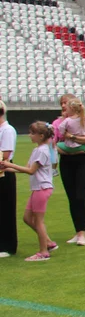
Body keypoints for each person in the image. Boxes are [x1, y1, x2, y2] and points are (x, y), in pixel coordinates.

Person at [0, 122, 58, 261]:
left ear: (41, 136)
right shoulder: (37, 150)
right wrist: (6, 168)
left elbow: (31, 171)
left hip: (42, 188)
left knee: (39, 221)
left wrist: (9, 164)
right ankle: (48, 242)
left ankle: (43, 252)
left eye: (32, 133)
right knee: (27, 218)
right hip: (37, 188)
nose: (29, 135)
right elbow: (25, 168)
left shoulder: (42, 151)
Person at [53, 96, 85, 245]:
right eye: (62, 104)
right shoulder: (58, 123)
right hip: (66, 161)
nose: (64, 106)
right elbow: (55, 143)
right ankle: (77, 231)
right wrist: (76, 141)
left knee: (80, 196)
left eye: (66, 103)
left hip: (84, 160)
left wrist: (71, 137)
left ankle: (82, 233)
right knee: (72, 197)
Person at [0, 101, 18, 258]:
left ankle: (8, 245)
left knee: (5, 207)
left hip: (4, 171)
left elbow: (5, 155)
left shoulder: (7, 130)